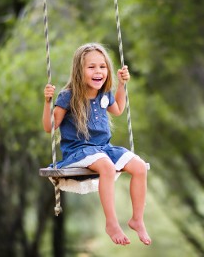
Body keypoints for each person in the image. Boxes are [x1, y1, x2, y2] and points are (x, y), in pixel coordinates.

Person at [42, 43, 151, 246]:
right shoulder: (68, 96)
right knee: (107, 167)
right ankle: (111, 223)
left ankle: (137, 219)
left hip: (104, 149)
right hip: (79, 150)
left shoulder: (105, 94)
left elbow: (118, 109)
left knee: (139, 166)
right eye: (91, 67)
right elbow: (50, 127)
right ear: (79, 70)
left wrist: (121, 85)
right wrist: (47, 102)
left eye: (102, 66)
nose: (98, 71)